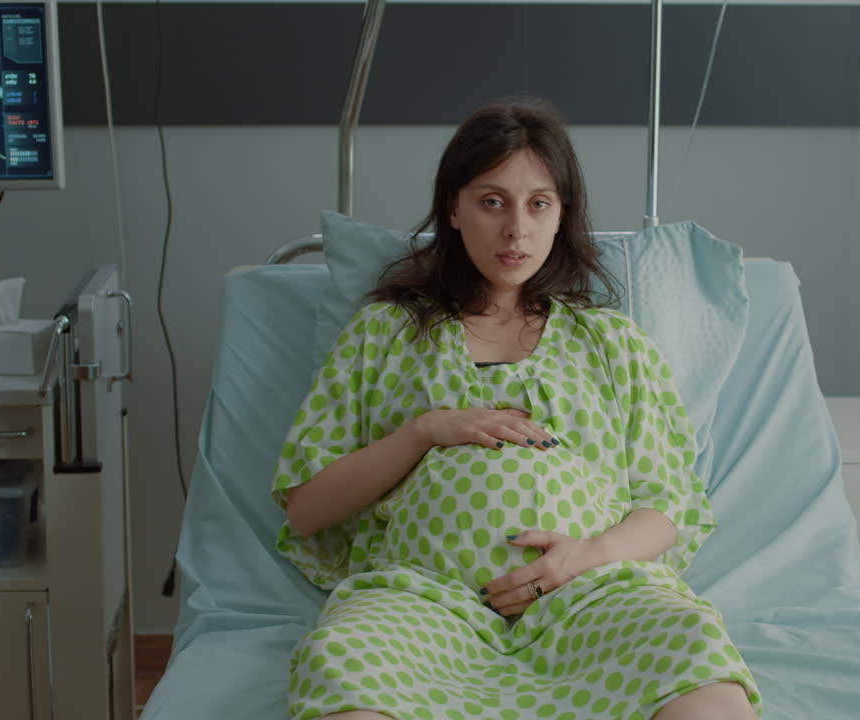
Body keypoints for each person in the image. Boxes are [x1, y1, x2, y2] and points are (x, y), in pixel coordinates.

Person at [272, 97, 762, 720]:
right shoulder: (383, 334)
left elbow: (668, 507)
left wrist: (584, 557)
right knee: (343, 671)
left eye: (539, 204)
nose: (516, 231)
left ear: (562, 216)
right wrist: (426, 430)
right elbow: (309, 509)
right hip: (419, 603)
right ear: (453, 208)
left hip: (593, 594)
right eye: (492, 201)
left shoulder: (612, 343)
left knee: (700, 667)